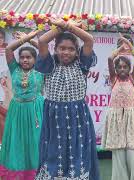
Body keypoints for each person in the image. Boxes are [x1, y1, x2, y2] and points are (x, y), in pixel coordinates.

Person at [34, 18, 100, 179]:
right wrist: (62, 28)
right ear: (55, 49)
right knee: (53, 154)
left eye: (71, 49)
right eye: (62, 48)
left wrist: (69, 26)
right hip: (54, 119)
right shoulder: (49, 65)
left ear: (77, 52)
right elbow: (42, 40)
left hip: (78, 118)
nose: (66, 52)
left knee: (78, 153)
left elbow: (89, 39)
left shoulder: (82, 65)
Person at [0, 30, 44, 180]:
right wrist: (25, 38)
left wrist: (29, 40)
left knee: (35, 142)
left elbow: (43, 50)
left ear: (35, 59)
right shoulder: (14, 69)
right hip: (17, 111)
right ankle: (18, 175)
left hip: (35, 111)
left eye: (29, 57)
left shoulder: (40, 69)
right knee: (17, 142)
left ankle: (36, 174)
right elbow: (8, 50)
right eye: (22, 57)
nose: (25, 60)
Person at [101, 39, 134, 179]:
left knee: (133, 152)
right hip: (117, 120)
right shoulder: (114, 79)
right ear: (115, 69)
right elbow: (109, 58)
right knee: (119, 153)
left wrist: (129, 44)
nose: (121, 69)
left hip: (131, 119)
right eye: (119, 67)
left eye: (125, 67)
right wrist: (120, 50)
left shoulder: (132, 78)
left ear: (129, 68)